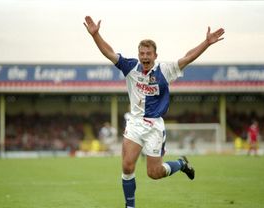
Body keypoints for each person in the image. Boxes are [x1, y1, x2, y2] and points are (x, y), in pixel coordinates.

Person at [84, 15, 225, 208]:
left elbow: (188, 57)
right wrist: (96, 35)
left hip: (154, 127)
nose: (144, 57)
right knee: (127, 165)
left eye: (148, 53)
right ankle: (130, 206)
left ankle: (181, 164)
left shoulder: (165, 70)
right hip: (134, 123)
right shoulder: (131, 67)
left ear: (155, 55)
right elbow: (109, 53)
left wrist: (206, 43)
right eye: (142, 53)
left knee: (154, 173)